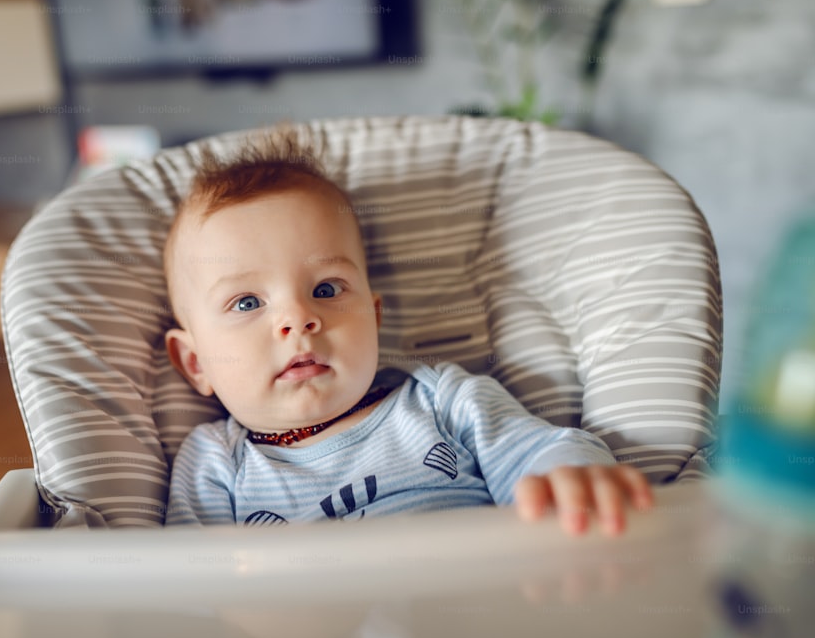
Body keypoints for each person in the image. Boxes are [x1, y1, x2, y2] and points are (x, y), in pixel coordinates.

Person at [162, 127, 653, 536]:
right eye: (247, 302)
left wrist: (571, 474)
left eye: (328, 289)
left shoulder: (443, 401)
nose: (298, 319)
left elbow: (541, 450)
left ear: (374, 318)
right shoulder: (216, 464)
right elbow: (184, 593)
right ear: (196, 362)